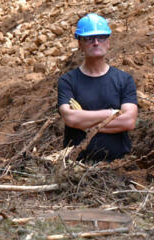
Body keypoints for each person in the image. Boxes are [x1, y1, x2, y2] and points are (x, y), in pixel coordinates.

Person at [57, 13, 138, 161]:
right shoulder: (67, 81)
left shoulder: (124, 80)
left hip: (118, 165)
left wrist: (85, 123)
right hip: (76, 167)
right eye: (89, 38)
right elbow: (71, 118)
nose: (96, 42)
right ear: (79, 44)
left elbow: (128, 121)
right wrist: (112, 113)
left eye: (101, 37)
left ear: (108, 42)